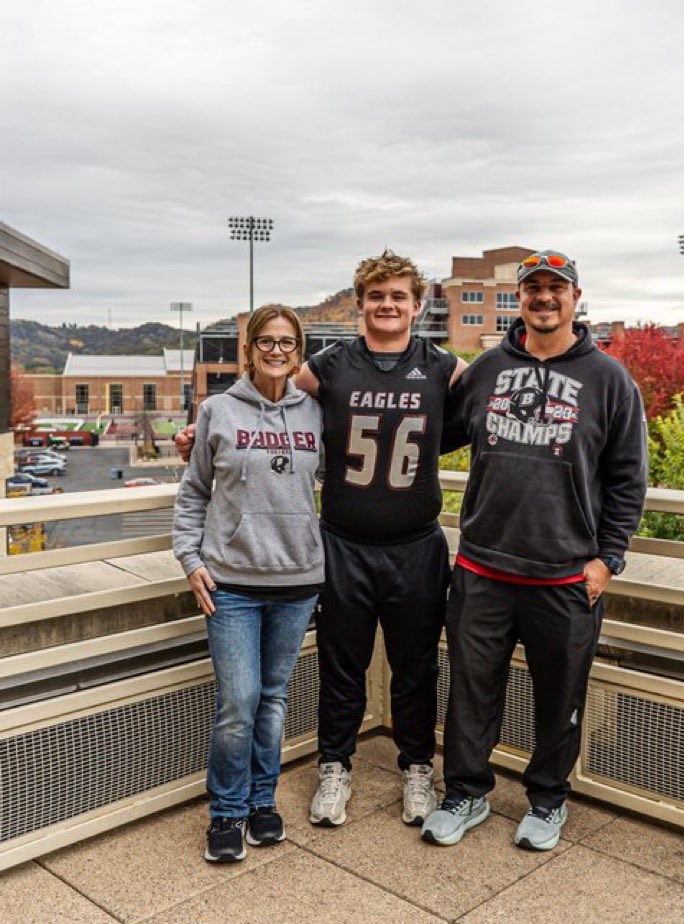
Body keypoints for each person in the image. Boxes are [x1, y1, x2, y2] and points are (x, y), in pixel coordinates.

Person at [175, 251, 466, 829]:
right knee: (340, 666)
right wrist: (202, 429)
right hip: (341, 545)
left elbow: (484, 410)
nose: (387, 305)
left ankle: (415, 767)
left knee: (417, 668)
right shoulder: (329, 364)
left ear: (417, 304)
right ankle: (336, 765)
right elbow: (270, 398)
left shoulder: (444, 366)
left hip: (417, 544)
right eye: (376, 296)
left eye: (398, 296)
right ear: (360, 303)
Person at [421, 249, 647, 851]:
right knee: (470, 693)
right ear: (519, 299)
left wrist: (607, 560)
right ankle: (465, 793)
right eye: (533, 289)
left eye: (556, 288)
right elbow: (424, 437)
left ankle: (548, 801)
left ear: (575, 298)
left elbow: (628, 478)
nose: (544, 297)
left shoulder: (610, 379)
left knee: (559, 698)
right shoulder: (486, 369)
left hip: (566, 576)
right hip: (482, 569)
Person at [173, 304, 324, 863]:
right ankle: (228, 811)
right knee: (238, 702)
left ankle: (264, 802)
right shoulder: (217, 410)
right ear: (250, 348)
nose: (278, 350)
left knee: (274, 700)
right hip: (231, 583)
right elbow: (193, 494)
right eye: (267, 341)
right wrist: (190, 559)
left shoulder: (315, 413)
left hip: (298, 579)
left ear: (298, 350)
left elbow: (341, 483)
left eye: (288, 342)